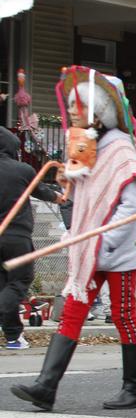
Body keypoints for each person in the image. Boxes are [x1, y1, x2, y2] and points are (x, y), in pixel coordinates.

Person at [11, 67, 136, 411]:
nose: (71, 110)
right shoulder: (87, 143)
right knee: (72, 312)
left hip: (116, 251)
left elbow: (132, 204)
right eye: (71, 104)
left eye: (79, 105)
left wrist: (103, 241)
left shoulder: (120, 149)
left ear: (99, 110)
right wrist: (68, 180)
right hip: (90, 248)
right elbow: (89, 196)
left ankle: (134, 388)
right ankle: (46, 386)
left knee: (123, 316)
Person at [0, 127, 62, 350]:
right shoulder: (22, 170)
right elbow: (43, 191)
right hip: (17, 236)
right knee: (18, 282)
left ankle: (13, 336)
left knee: (3, 286)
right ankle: (13, 337)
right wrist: (61, 197)